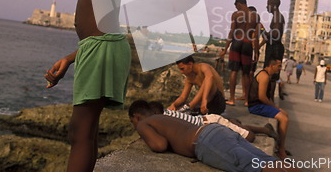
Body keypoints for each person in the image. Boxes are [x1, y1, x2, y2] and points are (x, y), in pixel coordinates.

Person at [44, 0, 131, 172]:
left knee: (79, 132)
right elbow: (99, 30)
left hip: (101, 47)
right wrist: (71, 58)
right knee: (87, 130)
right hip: (97, 45)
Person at [129, 100, 302, 172]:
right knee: (266, 160)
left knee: (258, 168)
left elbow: (159, 145)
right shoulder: (164, 116)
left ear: (136, 117)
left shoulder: (144, 123)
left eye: (134, 123)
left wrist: (144, 135)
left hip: (206, 141)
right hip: (218, 130)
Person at [149, 101, 278, 143]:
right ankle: (234, 123)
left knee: (249, 137)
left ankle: (266, 130)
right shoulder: (168, 113)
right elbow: (185, 110)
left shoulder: (165, 118)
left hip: (212, 122)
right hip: (209, 121)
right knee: (235, 127)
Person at [220, 0, 260, 106]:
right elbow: (255, 36)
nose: (236, 8)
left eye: (236, 5)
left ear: (239, 4)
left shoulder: (236, 14)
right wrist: (256, 52)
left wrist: (225, 49)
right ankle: (247, 100)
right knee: (246, 74)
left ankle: (232, 99)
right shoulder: (256, 16)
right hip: (247, 43)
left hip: (237, 42)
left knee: (234, 71)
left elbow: (231, 32)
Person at [248, 58, 290, 159]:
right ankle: (281, 150)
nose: (280, 68)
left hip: (259, 105)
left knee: (285, 115)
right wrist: (277, 108)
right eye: (278, 66)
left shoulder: (267, 75)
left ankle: (280, 145)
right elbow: (262, 97)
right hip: (256, 106)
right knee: (284, 119)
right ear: (272, 66)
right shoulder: (264, 76)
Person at [260, 0, 286, 100]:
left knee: (271, 74)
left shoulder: (278, 17)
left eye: (268, 4)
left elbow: (275, 35)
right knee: (270, 74)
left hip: (275, 48)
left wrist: (262, 30)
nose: (267, 7)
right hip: (274, 47)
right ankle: (268, 98)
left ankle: (269, 99)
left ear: (273, 6)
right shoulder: (277, 17)